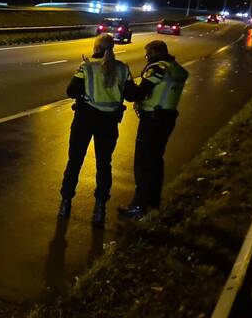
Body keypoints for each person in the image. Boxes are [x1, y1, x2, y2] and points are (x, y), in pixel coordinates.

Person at [59, 33, 134, 227]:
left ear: (96, 48)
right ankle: (100, 208)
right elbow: (132, 94)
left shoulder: (87, 66)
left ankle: (65, 203)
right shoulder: (123, 68)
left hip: (85, 119)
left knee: (75, 161)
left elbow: (71, 91)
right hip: (109, 123)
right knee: (104, 164)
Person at [118, 40, 189, 220]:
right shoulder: (175, 68)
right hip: (167, 118)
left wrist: (126, 77)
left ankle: (139, 207)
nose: (147, 57)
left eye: (148, 53)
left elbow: (135, 94)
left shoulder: (158, 69)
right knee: (156, 162)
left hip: (152, 120)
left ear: (155, 52)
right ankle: (153, 203)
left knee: (143, 164)